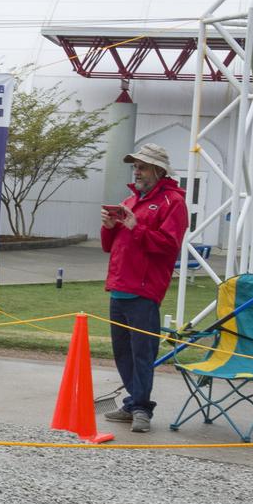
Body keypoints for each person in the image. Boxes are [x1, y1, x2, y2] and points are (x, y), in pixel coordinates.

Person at [99, 143, 188, 434]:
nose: (136, 171)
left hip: (144, 292)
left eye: (142, 166)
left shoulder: (173, 202)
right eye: (135, 166)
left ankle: (141, 408)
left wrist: (136, 226)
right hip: (120, 288)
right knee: (122, 352)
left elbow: (168, 246)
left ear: (158, 171)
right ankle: (133, 402)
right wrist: (110, 226)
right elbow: (109, 247)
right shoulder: (130, 200)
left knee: (142, 353)